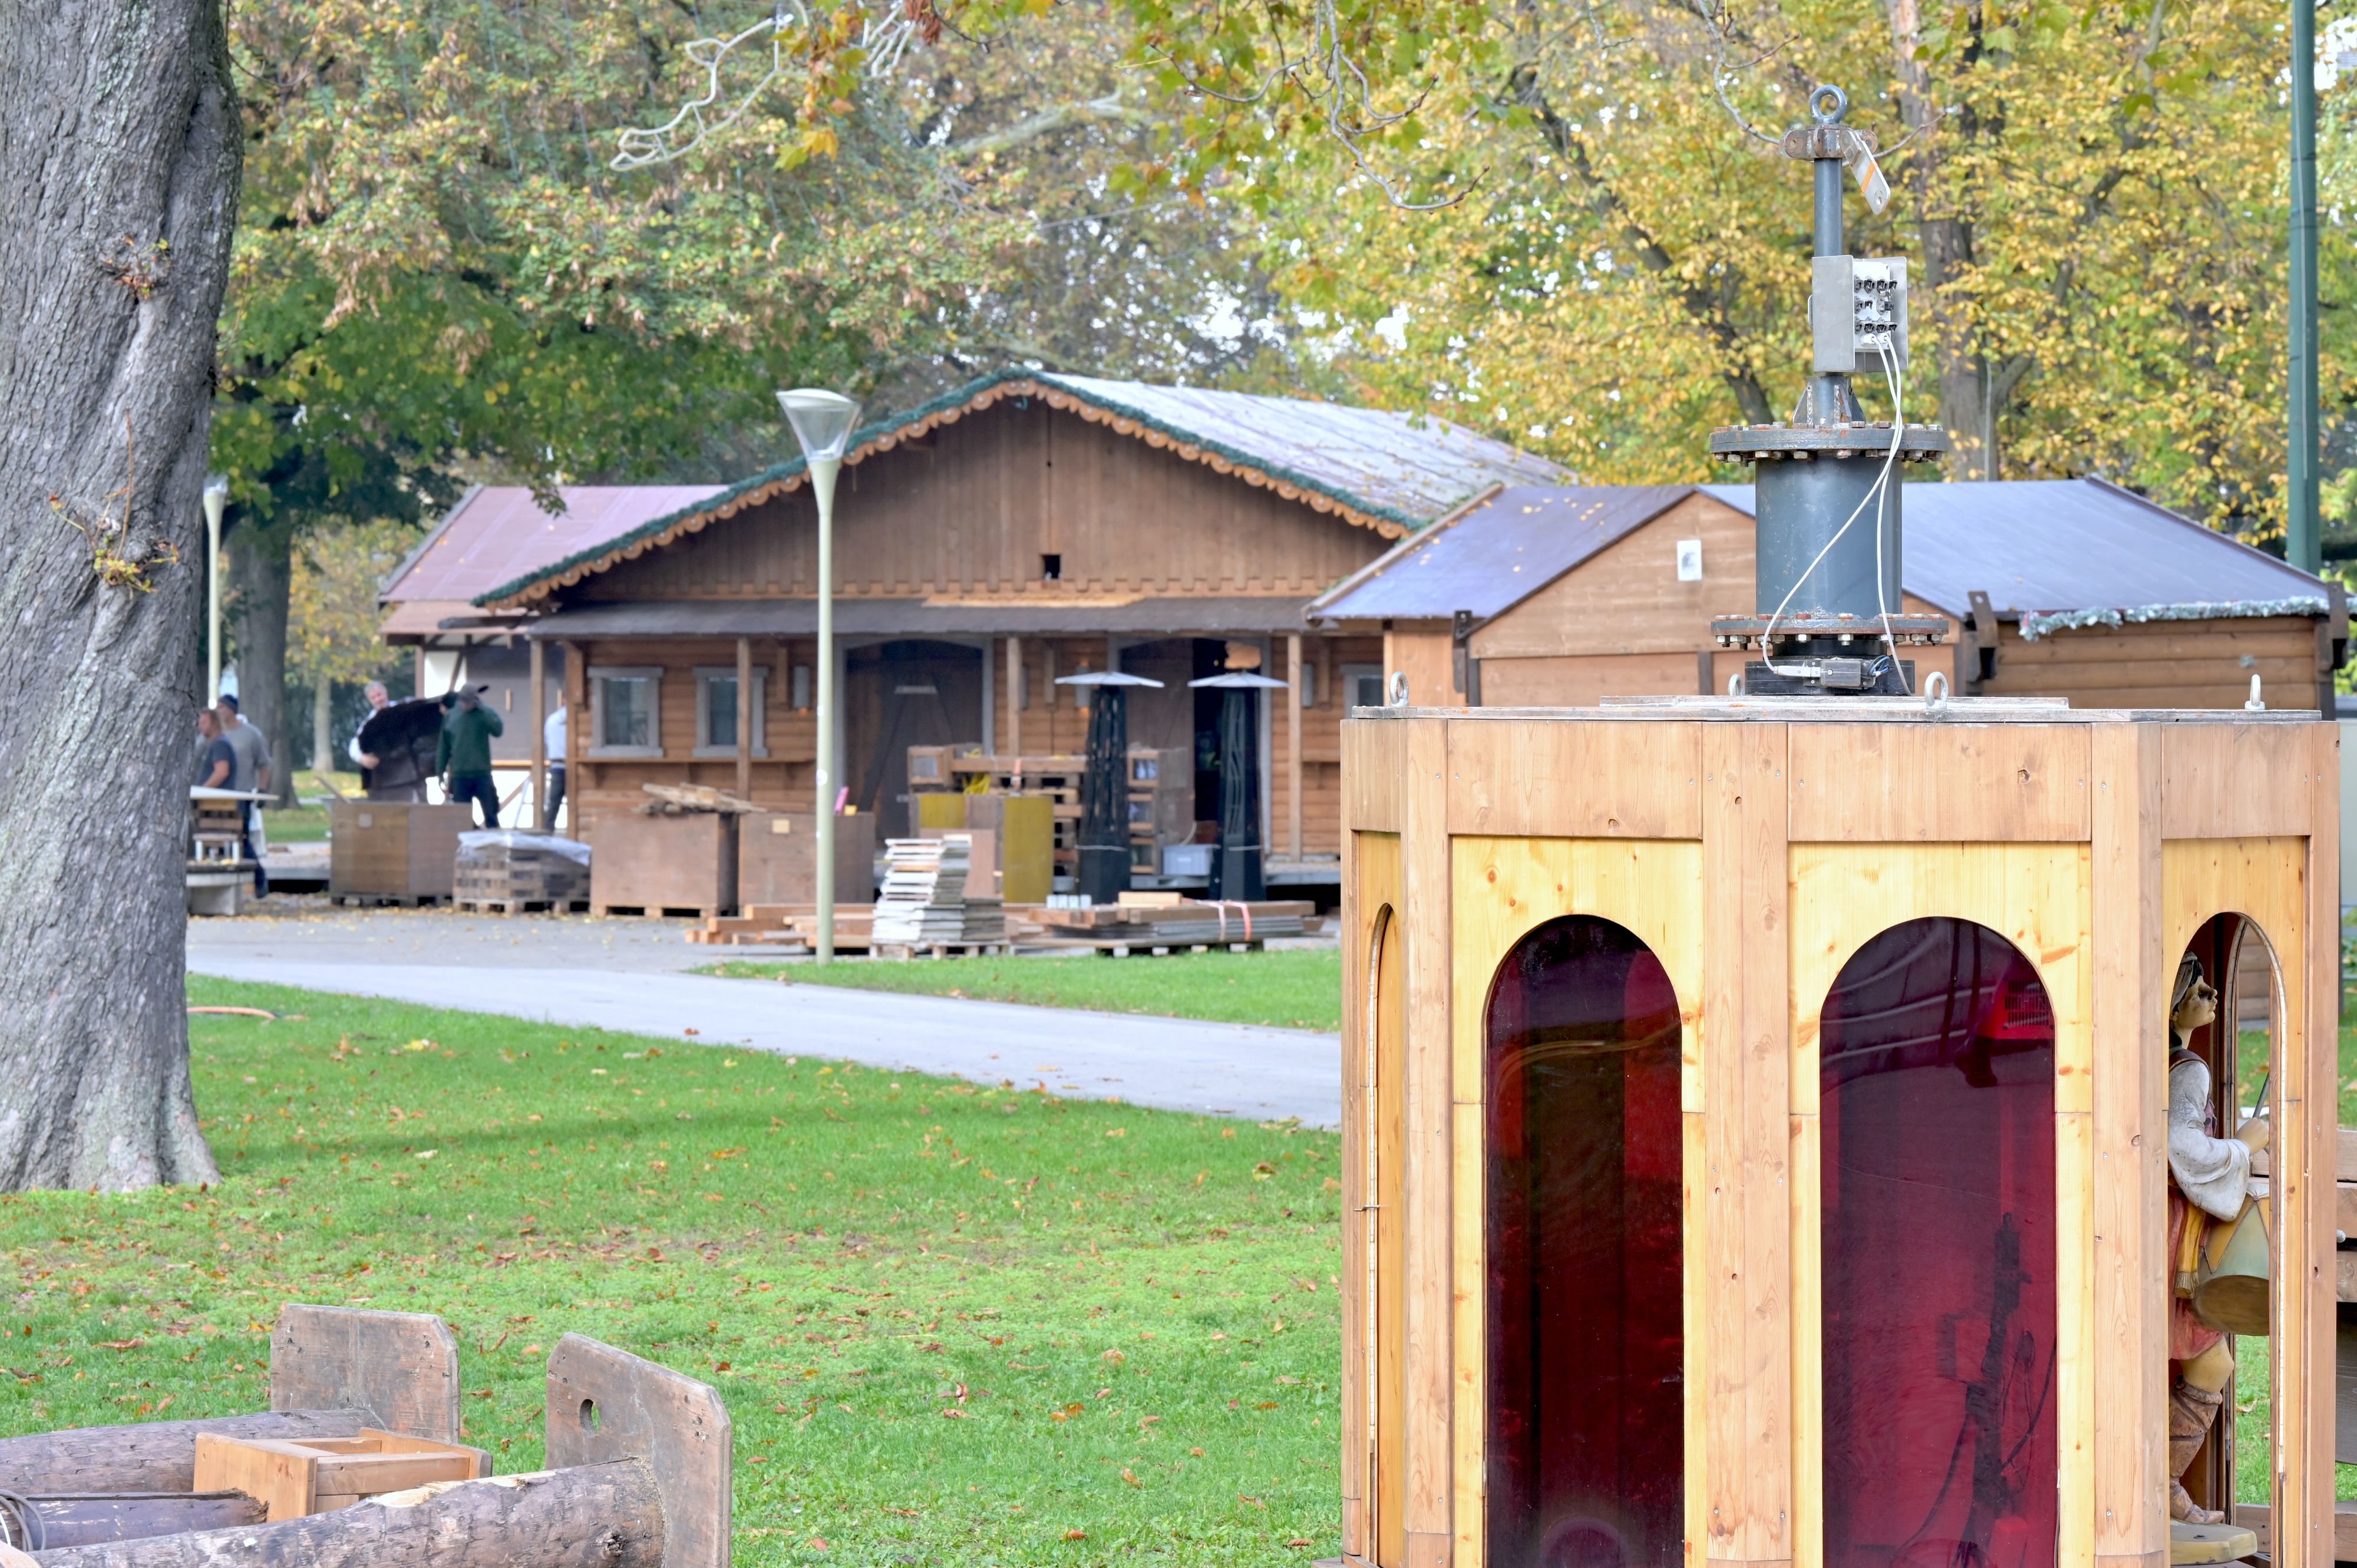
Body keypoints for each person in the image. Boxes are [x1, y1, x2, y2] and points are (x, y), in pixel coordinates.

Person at [2163, 955, 2268, 1525]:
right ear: (2175, 1000)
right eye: (2200, 990)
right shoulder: (2190, 1071)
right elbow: (2182, 1149)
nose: (2213, 996)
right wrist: (2246, 1146)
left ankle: (2161, 1489)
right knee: (2212, 1362)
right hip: (2175, 1233)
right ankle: (2160, 1489)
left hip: (2160, 1225)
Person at [214, 694, 272, 894]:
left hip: (241, 794)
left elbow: (265, 764)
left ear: (231, 710)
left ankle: (259, 879)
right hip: (214, 797)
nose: (218, 711)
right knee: (216, 839)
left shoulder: (250, 735)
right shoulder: (215, 735)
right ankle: (221, 884)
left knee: (241, 838)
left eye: (221, 707)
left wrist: (262, 789)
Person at [437, 686, 505, 827]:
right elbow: (443, 747)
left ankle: (493, 843)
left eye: (468, 702)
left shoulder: (484, 714)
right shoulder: (452, 716)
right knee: (463, 819)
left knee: (491, 814)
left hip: (482, 774)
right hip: (459, 776)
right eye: (463, 701)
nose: (465, 705)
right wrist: (440, 772)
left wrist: (484, 710)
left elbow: (498, 731)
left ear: (475, 701)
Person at [346, 681, 392, 774]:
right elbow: (354, 746)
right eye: (373, 698)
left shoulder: (404, 709)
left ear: (386, 693)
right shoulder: (369, 723)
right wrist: (362, 758)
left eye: (379, 695)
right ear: (370, 701)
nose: (378, 699)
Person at [543, 701, 568, 829]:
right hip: (573, 766)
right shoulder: (576, 720)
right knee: (575, 804)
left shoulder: (551, 720)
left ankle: (547, 832)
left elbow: (547, 741)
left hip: (556, 765)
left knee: (554, 803)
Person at [193, 709, 233, 789]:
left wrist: (202, 791)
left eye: (204, 723)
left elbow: (222, 772)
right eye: (200, 723)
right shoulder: (212, 744)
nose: (201, 726)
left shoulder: (220, 744)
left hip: (217, 800)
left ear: (215, 724)